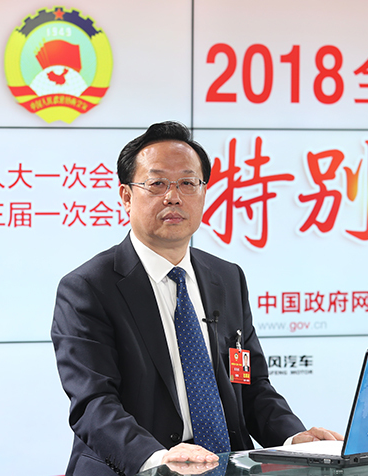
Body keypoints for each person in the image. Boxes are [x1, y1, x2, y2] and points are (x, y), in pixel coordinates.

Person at [52, 121, 342, 476]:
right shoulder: (88, 287)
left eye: (188, 183)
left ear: (204, 193)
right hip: (138, 468)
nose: (173, 197)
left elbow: (252, 387)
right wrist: (158, 460)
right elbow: (94, 405)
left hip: (227, 466)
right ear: (126, 196)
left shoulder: (227, 277)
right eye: (157, 183)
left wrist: (294, 439)